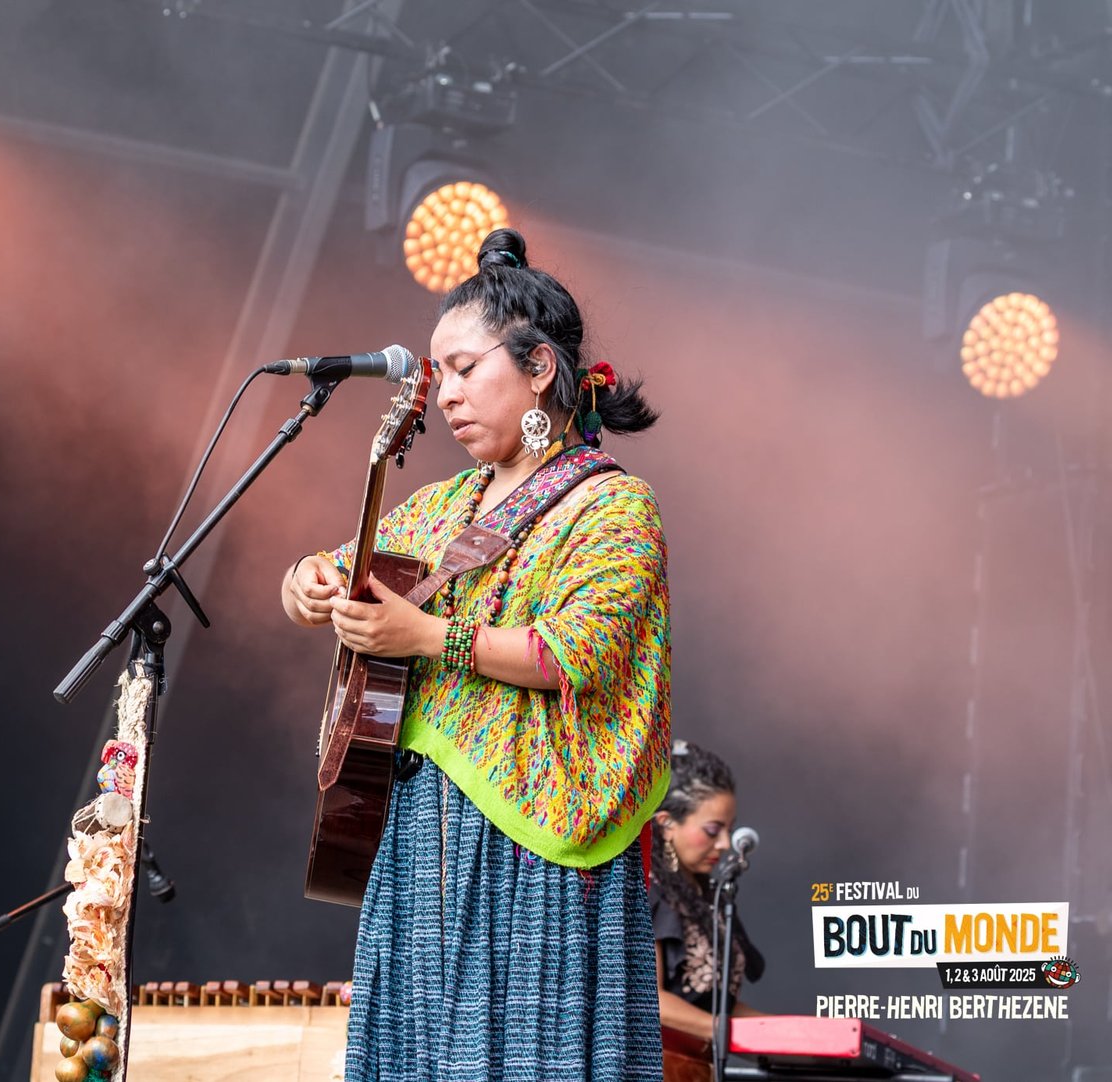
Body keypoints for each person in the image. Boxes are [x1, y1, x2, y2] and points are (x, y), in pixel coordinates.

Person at [281, 228, 670, 1081]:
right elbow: (337, 568)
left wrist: (428, 638)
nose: (442, 392)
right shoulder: (438, 502)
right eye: (436, 373)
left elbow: (577, 653)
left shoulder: (613, 507)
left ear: (537, 369)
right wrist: (304, 583)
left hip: (538, 839)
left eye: (464, 368)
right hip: (420, 835)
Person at [648, 740, 766, 1041]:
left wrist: (793, 1033)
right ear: (665, 824)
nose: (725, 844)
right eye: (713, 830)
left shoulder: (705, 897)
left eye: (729, 829)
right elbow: (650, 1000)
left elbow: (715, 1005)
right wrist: (735, 1033)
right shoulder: (650, 891)